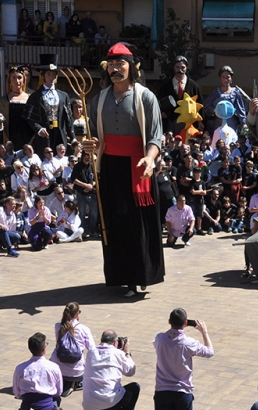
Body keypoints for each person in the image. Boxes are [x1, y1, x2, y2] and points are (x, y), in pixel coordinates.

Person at [84, 43, 165, 297]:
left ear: (132, 67)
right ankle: (120, 275)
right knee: (114, 223)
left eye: (121, 63)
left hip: (138, 168)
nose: (115, 69)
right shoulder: (99, 99)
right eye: (111, 64)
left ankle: (139, 276)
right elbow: (95, 137)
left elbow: (155, 137)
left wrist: (150, 159)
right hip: (109, 167)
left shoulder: (145, 97)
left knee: (137, 224)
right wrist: (89, 145)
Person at [153, 308, 214, 410]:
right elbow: (209, 352)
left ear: (169, 321)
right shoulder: (189, 343)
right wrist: (204, 332)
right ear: (185, 323)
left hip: (162, 390)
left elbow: (163, 340)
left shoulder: (159, 339)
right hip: (183, 391)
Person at [82, 330, 139, 410]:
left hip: (89, 403)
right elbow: (131, 371)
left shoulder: (91, 352)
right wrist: (126, 353)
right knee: (134, 387)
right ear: (114, 342)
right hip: (109, 400)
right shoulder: (118, 353)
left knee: (97, 396)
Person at [23, 54, 74, 157]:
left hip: (59, 134)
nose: (51, 77)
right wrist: (39, 129)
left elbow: (69, 119)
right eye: (49, 74)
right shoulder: (35, 96)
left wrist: (73, 137)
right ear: (43, 75)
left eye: (53, 74)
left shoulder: (63, 96)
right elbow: (30, 119)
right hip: (44, 136)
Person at [12, 332, 63, 410]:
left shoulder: (20, 368)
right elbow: (59, 391)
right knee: (57, 400)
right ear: (44, 350)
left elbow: (17, 393)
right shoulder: (54, 367)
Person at [51, 302, 94, 397]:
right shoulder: (84, 329)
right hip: (76, 371)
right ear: (77, 314)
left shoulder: (58, 326)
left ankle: (64, 383)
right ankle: (76, 383)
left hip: (57, 368)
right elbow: (92, 349)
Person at [158, 56, 202, 135]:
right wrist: (161, 112)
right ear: (173, 68)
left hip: (188, 124)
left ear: (186, 68)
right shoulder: (166, 86)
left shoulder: (194, 86)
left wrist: (200, 121)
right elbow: (159, 102)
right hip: (170, 123)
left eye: (183, 67)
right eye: (177, 67)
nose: (180, 70)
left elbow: (200, 103)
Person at [202, 66, 247, 134]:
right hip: (218, 125)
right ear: (220, 78)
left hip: (232, 125)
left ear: (231, 78)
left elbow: (240, 109)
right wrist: (215, 110)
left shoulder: (235, 93)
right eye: (223, 77)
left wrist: (243, 123)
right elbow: (206, 107)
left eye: (228, 77)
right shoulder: (215, 93)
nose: (226, 80)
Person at [5, 65, 35, 151]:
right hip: (10, 140)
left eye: (19, 78)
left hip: (29, 139)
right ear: (9, 80)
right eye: (13, 78)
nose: (17, 81)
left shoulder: (31, 98)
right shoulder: (4, 100)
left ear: (24, 80)